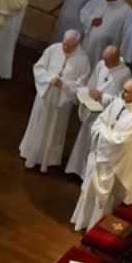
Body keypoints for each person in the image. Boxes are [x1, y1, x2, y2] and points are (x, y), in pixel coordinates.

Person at [71, 79, 132, 231]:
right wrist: (103, 131)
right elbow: (100, 120)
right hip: (100, 152)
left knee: (101, 198)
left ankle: (93, 228)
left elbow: (119, 141)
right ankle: (81, 221)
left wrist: (103, 131)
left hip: (112, 161)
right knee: (89, 190)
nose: (122, 93)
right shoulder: (119, 101)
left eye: (127, 91)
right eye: (123, 88)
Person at [18, 30, 91, 173]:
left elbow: (81, 85)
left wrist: (64, 85)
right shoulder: (53, 49)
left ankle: (48, 159)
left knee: (54, 129)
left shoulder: (83, 60)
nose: (65, 48)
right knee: (37, 123)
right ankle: (28, 151)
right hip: (45, 96)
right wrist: (49, 78)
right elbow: (38, 68)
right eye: (64, 44)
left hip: (61, 103)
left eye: (70, 46)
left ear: (77, 44)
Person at [66, 45, 132, 179]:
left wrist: (102, 96)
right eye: (104, 60)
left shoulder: (125, 74)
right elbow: (91, 83)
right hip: (91, 110)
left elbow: (123, 100)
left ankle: (87, 176)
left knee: (95, 146)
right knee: (83, 141)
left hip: (106, 116)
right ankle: (76, 170)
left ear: (116, 59)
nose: (105, 64)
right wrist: (86, 94)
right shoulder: (101, 64)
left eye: (108, 62)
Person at [80, 0, 132, 64]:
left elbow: (128, 36)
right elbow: (84, 12)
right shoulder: (97, 0)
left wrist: (123, 58)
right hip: (89, 45)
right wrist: (91, 20)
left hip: (105, 49)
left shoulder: (127, 12)